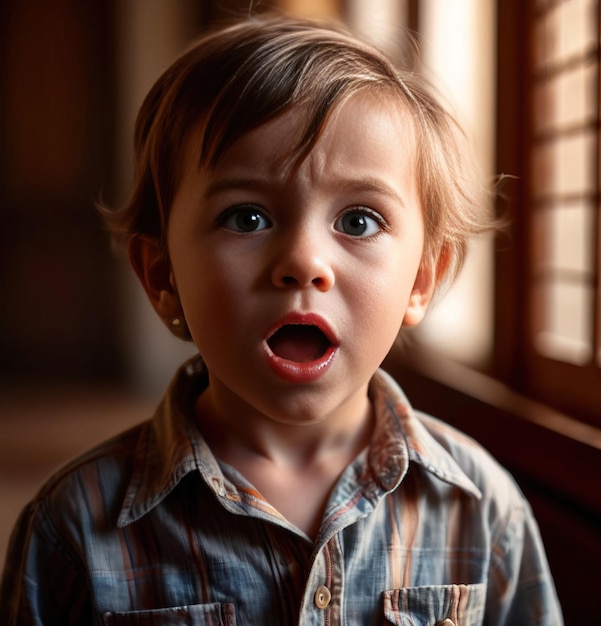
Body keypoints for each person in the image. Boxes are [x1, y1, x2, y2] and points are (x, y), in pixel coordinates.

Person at [0, 14, 563, 625]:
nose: (303, 263)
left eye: (358, 221)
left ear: (421, 280)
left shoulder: (480, 511)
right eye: (246, 218)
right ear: (163, 277)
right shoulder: (75, 528)